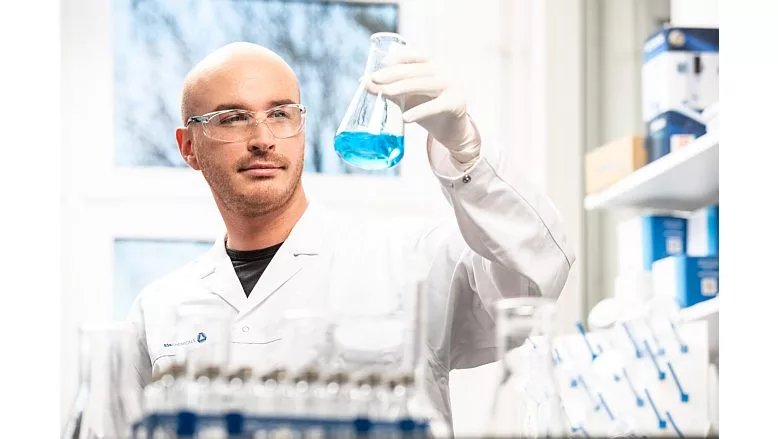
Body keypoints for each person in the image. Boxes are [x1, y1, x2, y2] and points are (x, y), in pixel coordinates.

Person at [127, 40, 575, 429]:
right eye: (233, 118)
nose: (263, 137)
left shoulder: (408, 260)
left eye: (280, 113)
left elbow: (534, 282)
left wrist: (466, 151)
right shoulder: (160, 310)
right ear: (189, 147)